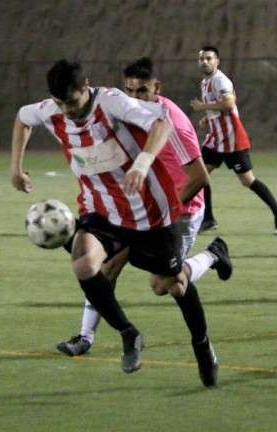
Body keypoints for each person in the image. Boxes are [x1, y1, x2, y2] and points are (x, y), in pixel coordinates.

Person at [10, 60, 219, 387]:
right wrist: (16, 167)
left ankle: (202, 346)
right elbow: (22, 119)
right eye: (61, 104)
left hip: (148, 212)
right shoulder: (53, 110)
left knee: (174, 284)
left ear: (86, 87)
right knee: (83, 265)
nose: (68, 111)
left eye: (73, 102)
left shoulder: (111, 102)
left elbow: (161, 123)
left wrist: (142, 162)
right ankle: (129, 333)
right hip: (100, 211)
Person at [58, 57, 233, 358]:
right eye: (129, 91)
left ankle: (213, 254)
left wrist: (159, 218)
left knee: (163, 285)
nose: (135, 98)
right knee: (105, 267)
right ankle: (85, 336)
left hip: (181, 210)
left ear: (157, 88)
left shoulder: (172, 122)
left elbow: (199, 178)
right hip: (137, 208)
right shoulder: (126, 114)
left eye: (142, 92)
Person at [190, 46, 277, 235]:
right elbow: (219, 107)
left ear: (217, 61)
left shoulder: (220, 80)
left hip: (231, 139)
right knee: (199, 174)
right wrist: (208, 116)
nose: (204, 62)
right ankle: (208, 218)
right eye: (201, 58)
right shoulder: (205, 82)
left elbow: (228, 104)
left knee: (247, 180)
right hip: (215, 139)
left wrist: (203, 106)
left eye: (209, 58)